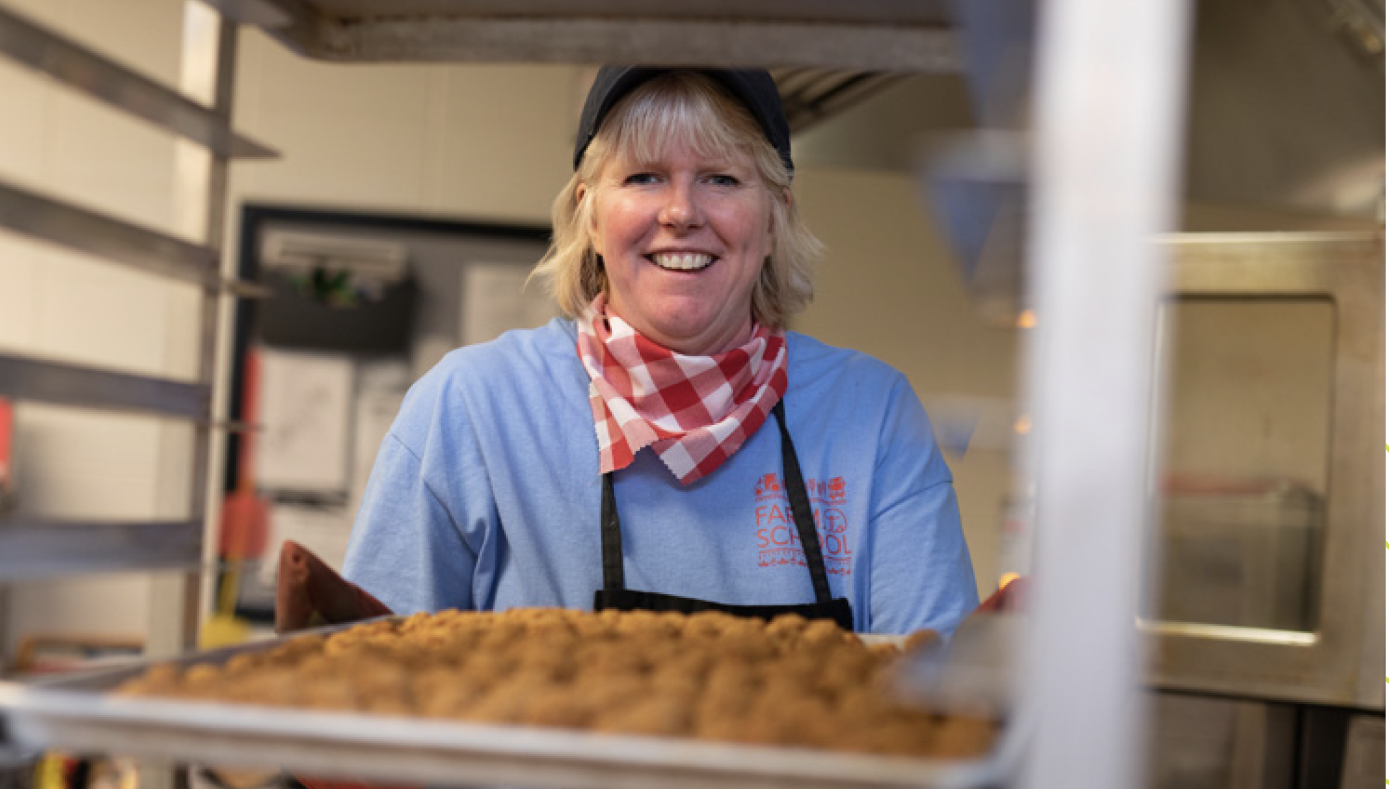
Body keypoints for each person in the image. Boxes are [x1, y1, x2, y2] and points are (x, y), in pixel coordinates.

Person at [337, 66, 979, 638]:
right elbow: (356, 724)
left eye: (721, 178)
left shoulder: (873, 416)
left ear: (774, 216)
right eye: (643, 176)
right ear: (589, 214)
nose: (681, 211)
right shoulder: (472, 409)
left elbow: (940, 718)